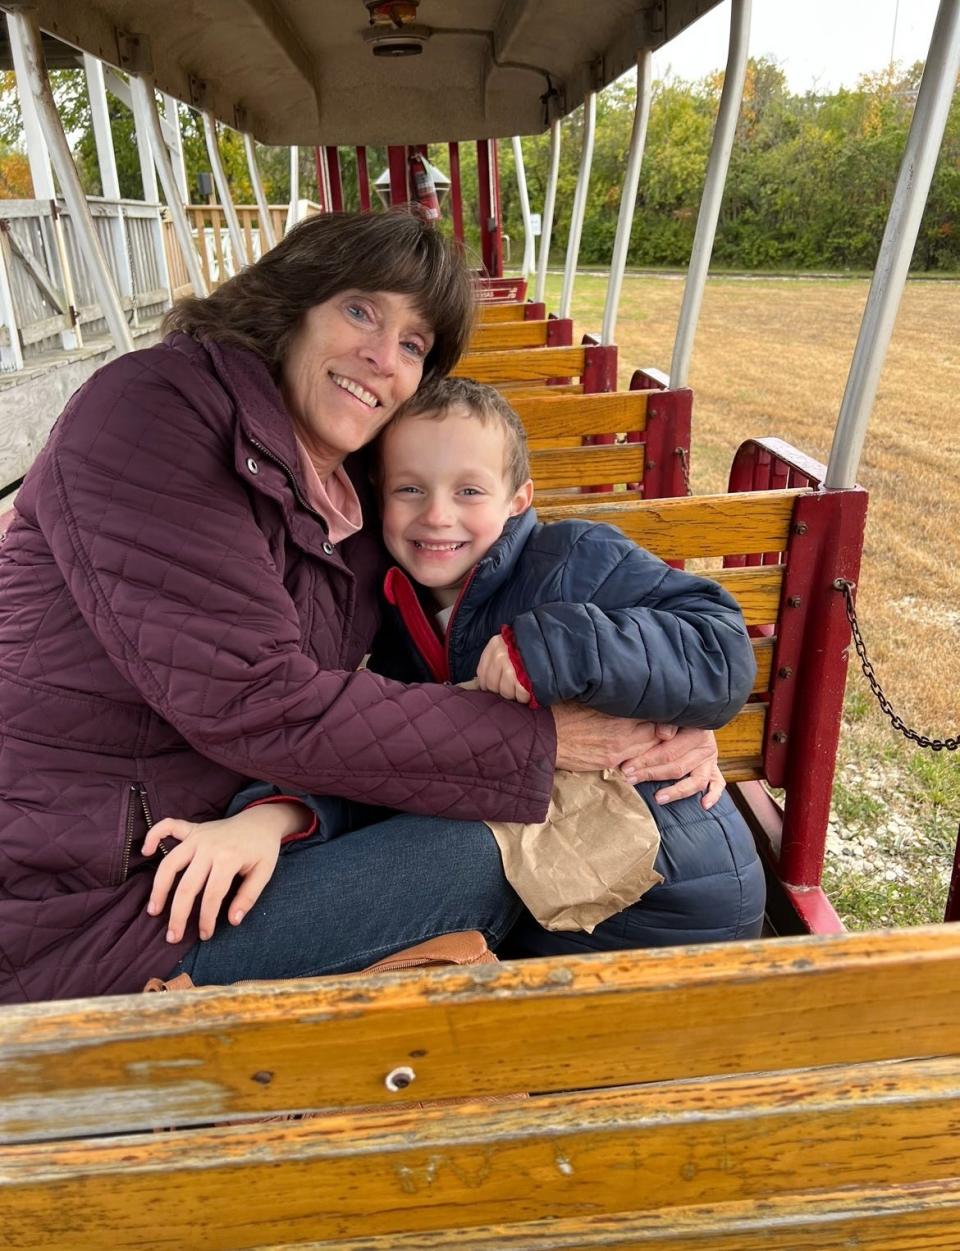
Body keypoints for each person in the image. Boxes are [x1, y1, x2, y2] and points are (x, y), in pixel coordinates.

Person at [0, 210, 718, 1004]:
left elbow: (429, 654)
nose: (382, 357)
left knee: (503, 829)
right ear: (292, 302)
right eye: (360, 310)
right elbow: (258, 698)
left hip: (214, 851)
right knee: (501, 848)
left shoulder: (353, 499)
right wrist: (547, 742)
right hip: (86, 915)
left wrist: (660, 714)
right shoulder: (154, 411)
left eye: (413, 344)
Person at [161, 377, 765, 955]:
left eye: (469, 491)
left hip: (669, 889)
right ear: (376, 498)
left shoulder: (574, 558)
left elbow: (718, 647)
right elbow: (385, 751)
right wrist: (277, 813)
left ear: (518, 499)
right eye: (410, 489)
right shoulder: (393, 617)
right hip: (551, 897)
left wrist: (558, 647)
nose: (438, 515)